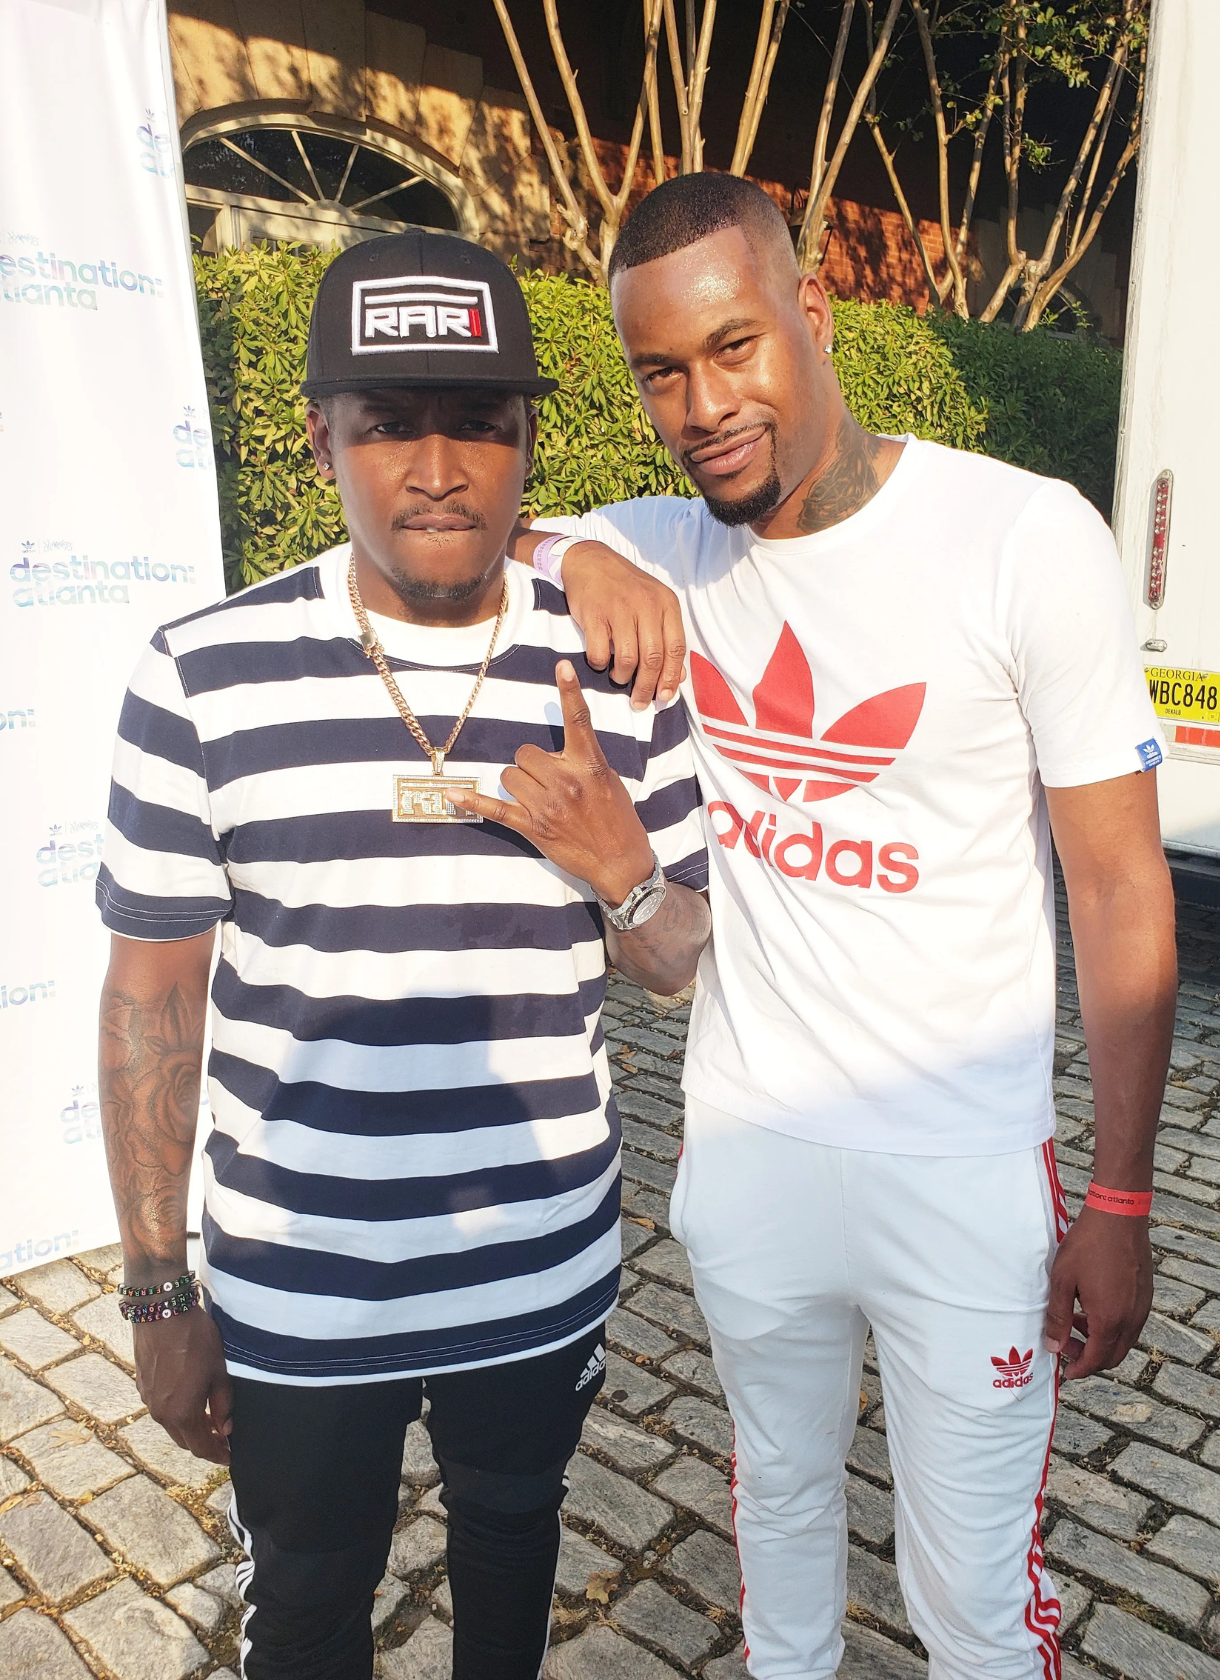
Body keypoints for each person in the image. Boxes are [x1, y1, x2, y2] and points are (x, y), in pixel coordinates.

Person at [510, 173, 1177, 1680]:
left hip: (965, 1171)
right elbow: (493, 530)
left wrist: (1122, 1204)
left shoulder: (1024, 539)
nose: (701, 405)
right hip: (752, 1157)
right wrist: (587, 552)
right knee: (783, 1536)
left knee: (979, 1608)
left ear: (812, 315)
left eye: (734, 347)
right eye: (660, 372)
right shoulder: (670, 542)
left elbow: (1125, 891)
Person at [95, 229, 710, 1680]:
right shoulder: (202, 673)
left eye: (480, 423)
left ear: (526, 441)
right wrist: (156, 1288)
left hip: (536, 1271)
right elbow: (151, 996)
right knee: (306, 1610)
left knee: (511, 1569)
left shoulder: (617, 665)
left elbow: (681, 961)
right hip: (301, 1287)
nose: (439, 466)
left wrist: (621, 871)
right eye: (389, 425)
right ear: (320, 440)